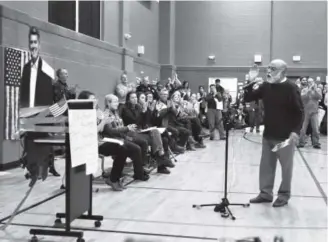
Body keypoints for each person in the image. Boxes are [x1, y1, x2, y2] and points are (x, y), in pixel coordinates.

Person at [244, 59, 304, 207]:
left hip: (285, 137)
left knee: (286, 168)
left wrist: (295, 131)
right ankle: (265, 193)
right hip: (269, 134)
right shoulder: (266, 86)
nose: (269, 71)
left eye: (273, 69)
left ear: (283, 71)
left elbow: (299, 112)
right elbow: (248, 98)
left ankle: (284, 195)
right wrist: (251, 81)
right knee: (266, 166)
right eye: (268, 68)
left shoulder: (291, 88)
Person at [20, 26, 54, 108]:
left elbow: (49, 100)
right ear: (28, 45)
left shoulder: (47, 70)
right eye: (31, 42)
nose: (33, 46)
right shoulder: (24, 69)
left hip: (39, 117)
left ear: (39, 45)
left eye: (35, 42)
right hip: (26, 116)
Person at [298, 78, 322, 149]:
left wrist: (315, 90)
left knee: (315, 129)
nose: (310, 83)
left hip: (314, 112)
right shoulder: (304, 90)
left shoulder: (318, 90)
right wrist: (308, 90)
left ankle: (316, 143)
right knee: (303, 129)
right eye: (309, 82)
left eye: (311, 82)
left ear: (314, 82)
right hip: (306, 112)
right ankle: (301, 142)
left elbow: (319, 97)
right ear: (307, 83)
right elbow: (302, 98)